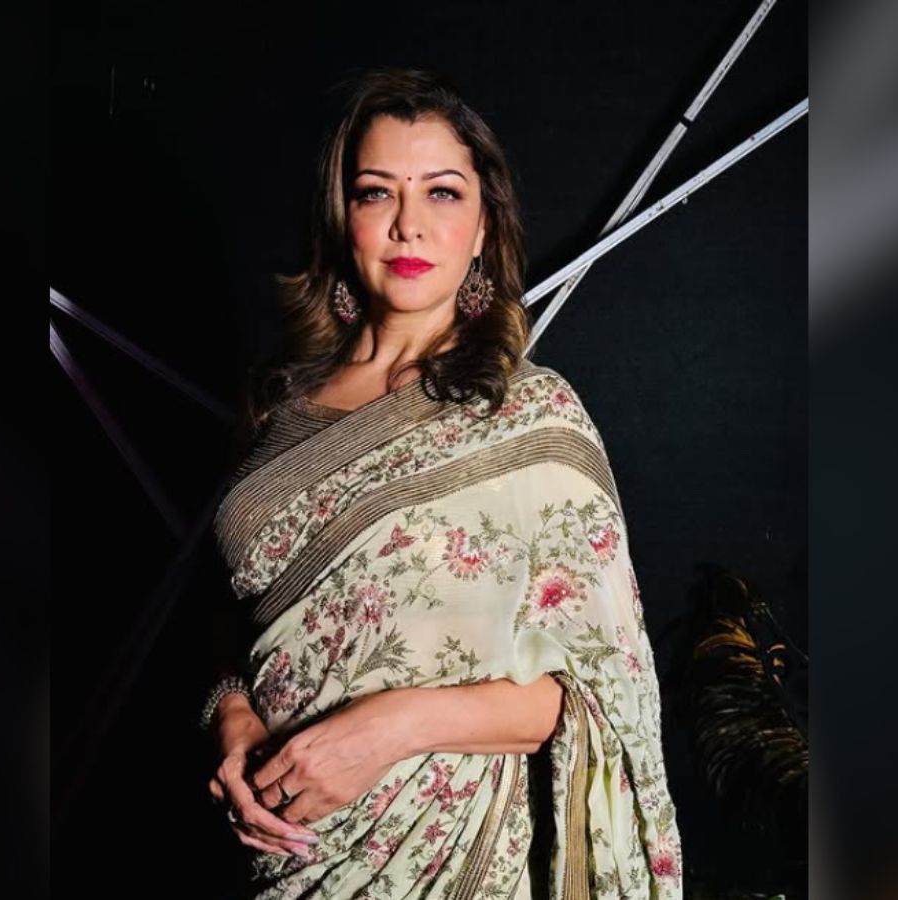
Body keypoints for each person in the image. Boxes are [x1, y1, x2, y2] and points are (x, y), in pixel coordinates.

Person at [200, 66, 683, 899]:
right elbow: (239, 627)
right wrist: (230, 718)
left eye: (442, 192)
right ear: (342, 217)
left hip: (451, 855)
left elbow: (599, 690)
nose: (408, 225)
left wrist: (392, 727)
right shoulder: (279, 406)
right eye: (376, 192)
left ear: (484, 222)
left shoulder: (531, 417)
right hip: (280, 850)